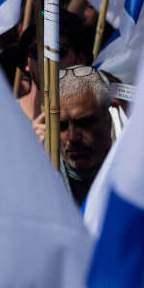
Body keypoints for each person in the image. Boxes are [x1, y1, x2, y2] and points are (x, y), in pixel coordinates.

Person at [32, 65, 114, 206]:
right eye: (62, 126)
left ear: (108, 120)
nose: (72, 138)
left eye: (84, 123)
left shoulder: (133, 165)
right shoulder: (37, 167)